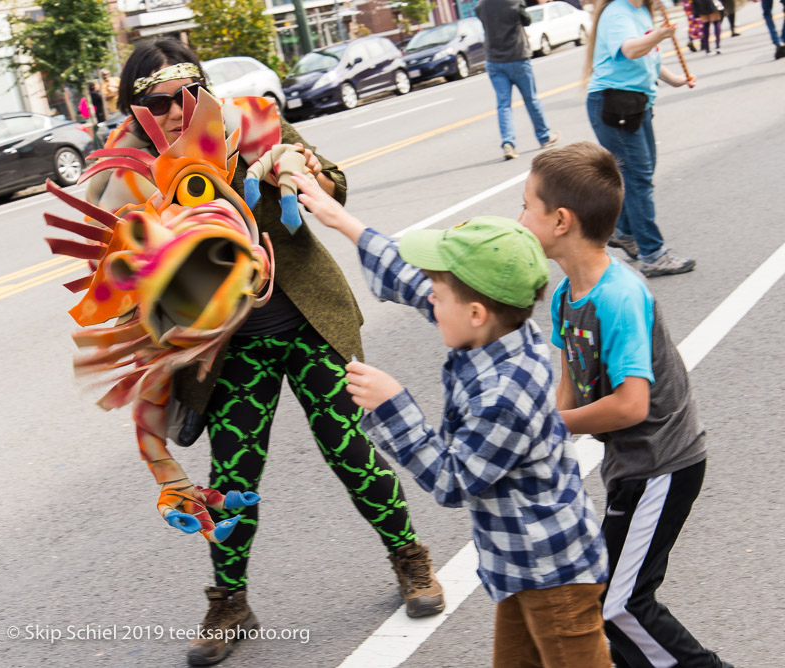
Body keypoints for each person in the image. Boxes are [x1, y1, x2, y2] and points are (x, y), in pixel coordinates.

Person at [87, 38, 445, 667]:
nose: (176, 111)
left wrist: (297, 169)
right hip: (233, 353)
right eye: (159, 103)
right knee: (232, 481)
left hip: (307, 322)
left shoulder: (251, 125)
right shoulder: (137, 179)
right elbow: (114, 272)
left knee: (349, 449)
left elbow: (334, 181)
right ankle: (230, 602)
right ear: (137, 115)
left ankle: (410, 558)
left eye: (187, 95)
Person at [293, 171, 611, 668]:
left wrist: (392, 404)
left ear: (477, 312)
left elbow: (452, 479)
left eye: (438, 297)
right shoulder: (492, 328)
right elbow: (416, 282)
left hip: (555, 577)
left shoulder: (509, 391)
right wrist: (341, 221)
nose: (429, 301)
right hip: (517, 566)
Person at [520, 141, 734, 668]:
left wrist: (550, 424)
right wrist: (537, 442)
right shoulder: (568, 295)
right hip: (632, 466)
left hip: (664, 464)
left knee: (617, 604)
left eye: (527, 205)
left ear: (561, 221)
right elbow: (567, 392)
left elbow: (632, 405)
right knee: (604, 596)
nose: (519, 216)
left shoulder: (619, 294)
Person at [585, 0, 697, 278]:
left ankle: (624, 231)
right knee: (638, 178)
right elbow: (630, 49)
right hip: (614, 103)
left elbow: (648, 54)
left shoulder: (639, 11)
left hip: (635, 103)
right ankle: (652, 254)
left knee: (638, 175)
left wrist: (674, 79)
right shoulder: (618, 12)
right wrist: (658, 35)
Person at [475, 0, 561, 160]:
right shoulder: (514, 1)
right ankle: (544, 137)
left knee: (503, 104)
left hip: (494, 60)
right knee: (531, 99)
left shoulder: (481, 5)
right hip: (517, 57)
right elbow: (527, 20)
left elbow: (484, 19)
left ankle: (508, 143)